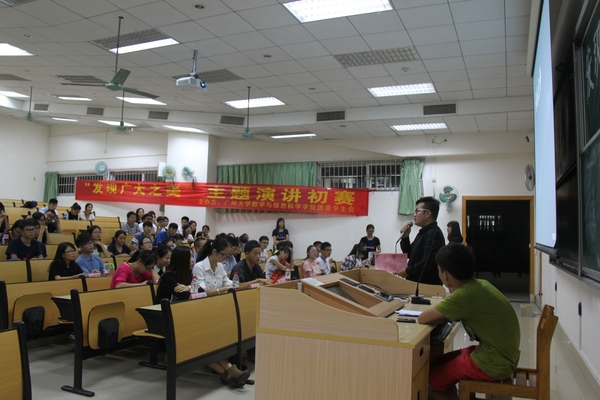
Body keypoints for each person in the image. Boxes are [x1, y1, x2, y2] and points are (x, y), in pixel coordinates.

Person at [418, 243, 520, 400]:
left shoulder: (464, 295)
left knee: (427, 384)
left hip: (494, 362)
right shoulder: (479, 284)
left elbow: (423, 318)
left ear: (446, 275)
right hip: (503, 355)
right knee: (437, 362)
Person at [191, 237, 250, 387]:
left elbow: (230, 284)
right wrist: (224, 289)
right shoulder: (199, 267)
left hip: (217, 309)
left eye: (227, 255)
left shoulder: (220, 267)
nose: (225, 258)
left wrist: (241, 286)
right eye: (224, 255)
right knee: (211, 341)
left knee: (223, 337)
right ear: (214, 252)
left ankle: (230, 374)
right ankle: (231, 371)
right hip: (202, 311)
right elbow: (202, 291)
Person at [397, 197, 445, 285]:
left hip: (426, 285)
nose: (414, 215)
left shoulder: (433, 233)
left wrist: (407, 271)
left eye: (417, 211)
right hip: (416, 283)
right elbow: (408, 253)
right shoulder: (423, 232)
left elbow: (428, 262)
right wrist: (405, 237)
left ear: (427, 213)